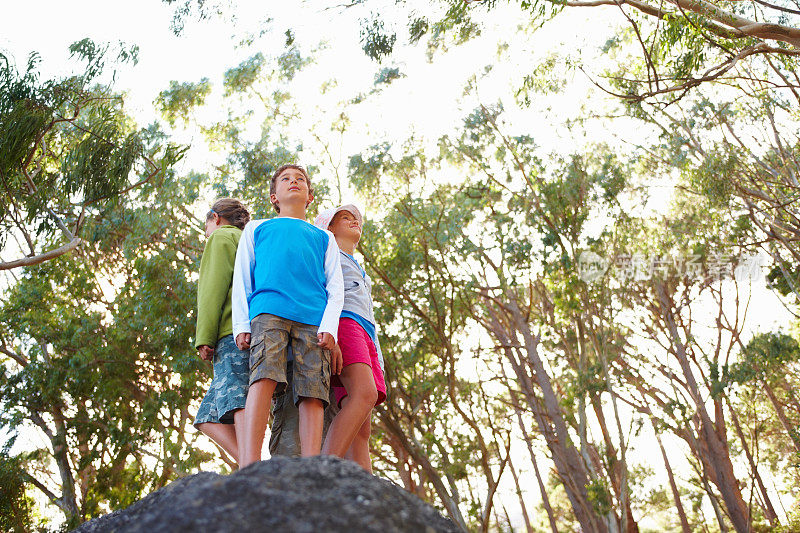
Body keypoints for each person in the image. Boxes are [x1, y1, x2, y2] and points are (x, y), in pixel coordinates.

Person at [232, 164, 343, 467]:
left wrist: (330, 326)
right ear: (274, 196)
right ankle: (250, 463)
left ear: (309, 196)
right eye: (286, 179)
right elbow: (242, 277)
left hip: (313, 321)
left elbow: (335, 287)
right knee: (263, 376)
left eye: (300, 180)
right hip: (268, 311)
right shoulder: (258, 228)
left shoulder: (324, 237)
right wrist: (241, 324)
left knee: (313, 389)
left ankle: (311, 466)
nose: (294, 182)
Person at [316, 204, 386, 472]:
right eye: (345, 218)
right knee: (364, 395)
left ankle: (364, 492)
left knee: (362, 428)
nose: (355, 221)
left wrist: (376, 357)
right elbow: (323, 295)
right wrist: (330, 333)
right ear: (330, 228)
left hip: (367, 333)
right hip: (346, 324)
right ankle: (322, 471)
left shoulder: (359, 267)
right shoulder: (327, 254)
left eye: (356, 219)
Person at [193, 198, 251, 466]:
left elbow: (212, 290)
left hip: (230, 331)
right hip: (255, 329)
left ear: (215, 217)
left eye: (206, 225)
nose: (206, 232)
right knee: (207, 415)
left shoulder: (221, 239)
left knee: (237, 398)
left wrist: (204, 337)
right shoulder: (250, 240)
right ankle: (250, 462)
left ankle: (252, 467)